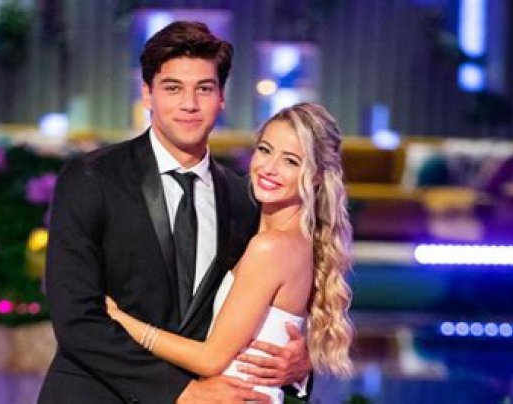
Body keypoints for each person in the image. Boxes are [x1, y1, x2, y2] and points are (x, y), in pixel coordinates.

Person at [38, 21, 310, 403]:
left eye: (204, 88)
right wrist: (182, 392)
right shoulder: (91, 178)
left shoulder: (245, 200)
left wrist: (300, 366)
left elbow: (272, 312)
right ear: (147, 93)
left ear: (221, 97)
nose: (189, 104)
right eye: (172, 88)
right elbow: (76, 317)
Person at [106, 102, 355, 403]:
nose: (269, 168)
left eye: (291, 161)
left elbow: (211, 358)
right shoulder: (283, 236)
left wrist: (119, 319)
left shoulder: (271, 248)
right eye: (265, 150)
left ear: (316, 176)